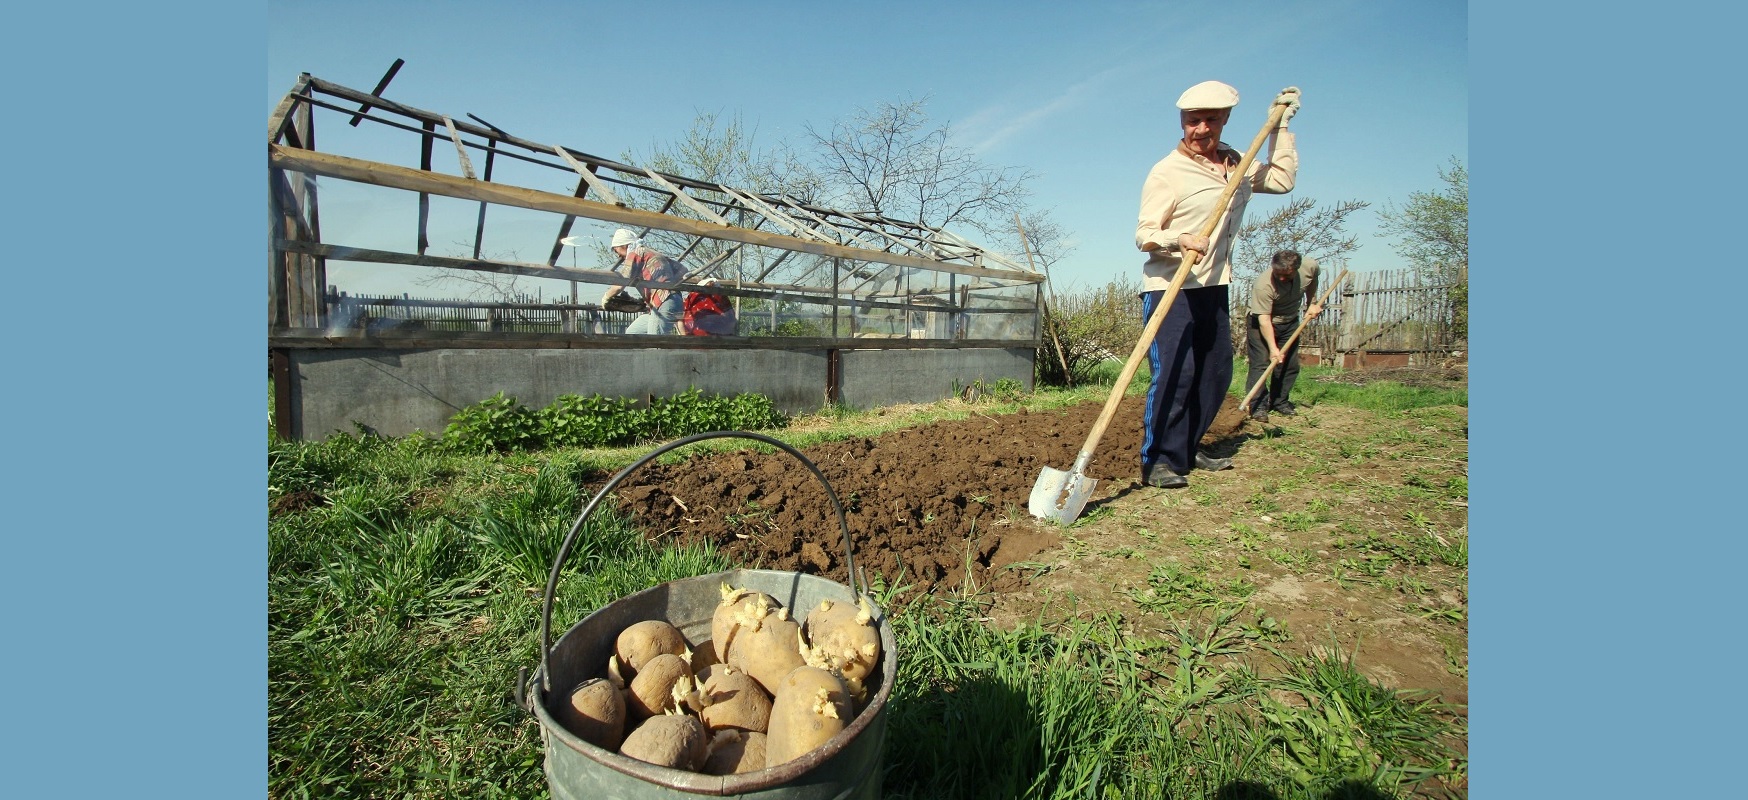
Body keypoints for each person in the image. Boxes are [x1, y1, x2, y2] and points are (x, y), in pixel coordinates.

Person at [1133, 80, 1300, 489]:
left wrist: (1278, 128)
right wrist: (1179, 239)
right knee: (1177, 372)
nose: (1201, 130)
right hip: (1170, 286)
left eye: (1210, 120)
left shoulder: (1238, 164)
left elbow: (1281, 180)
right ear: (1182, 122)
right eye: (1193, 121)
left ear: (1225, 120)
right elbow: (1144, 233)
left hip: (1214, 285)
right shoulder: (1167, 172)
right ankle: (1158, 460)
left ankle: (1188, 448)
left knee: (1214, 373)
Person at [1245, 250, 1323, 422]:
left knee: (1289, 364)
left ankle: (1280, 402)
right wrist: (1273, 349)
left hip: (1289, 321)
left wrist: (1312, 303)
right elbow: (1264, 320)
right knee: (1261, 363)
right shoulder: (1263, 285)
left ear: (1296, 269)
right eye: (1277, 274)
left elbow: (1313, 281)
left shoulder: (1310, 267)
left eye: (1285, 275)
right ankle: (1258, 406)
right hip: (1262, 323)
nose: (1280, 279)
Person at [601, 228, 688, 334]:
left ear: (623, 245)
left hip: (664, 302)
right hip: (671, 301)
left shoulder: (635, 253)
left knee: (654, 344)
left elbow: (621, 283)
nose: (618, 255)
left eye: (616, 250)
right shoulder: (652, 253)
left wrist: (606, 297)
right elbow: (683, 270)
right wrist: (668, 282)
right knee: (633, 333)